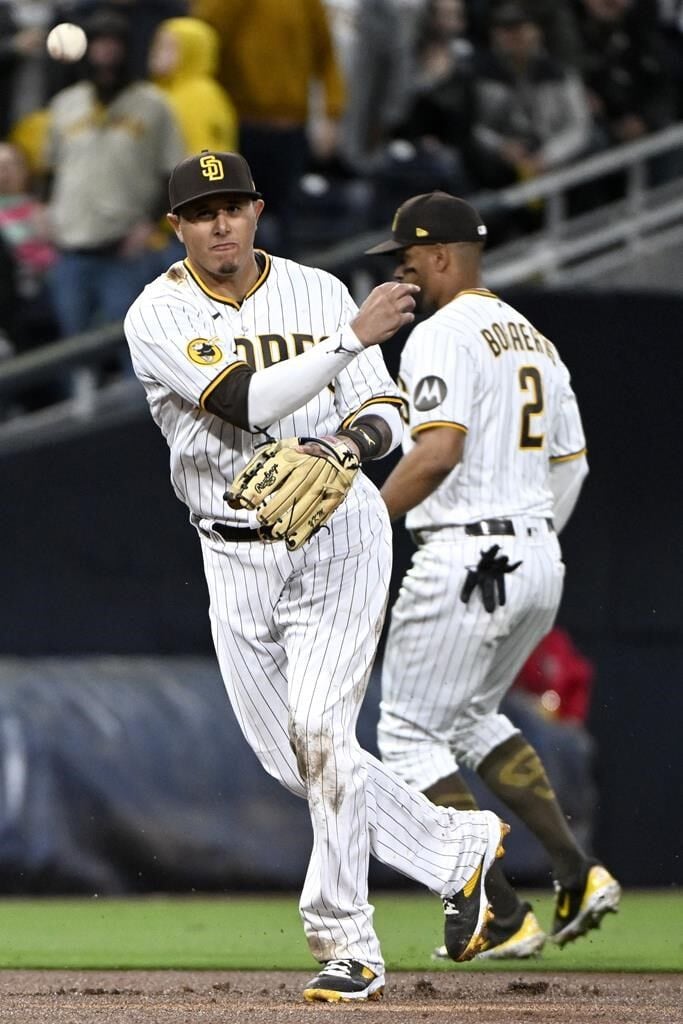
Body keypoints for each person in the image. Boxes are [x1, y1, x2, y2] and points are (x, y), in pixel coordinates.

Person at [123, 150, 509, 1003]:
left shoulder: (319, 290)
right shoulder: (156, 313)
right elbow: (244, 404)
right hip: (230, 551)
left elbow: (383, 413)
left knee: (324, 735)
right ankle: (455, 849)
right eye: (202, 211)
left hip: (338, 535)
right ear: (176, 227)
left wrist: (343, 444)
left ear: (258, 210)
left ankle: (348, 941)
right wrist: (349, 340)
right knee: (284, 753)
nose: (220, 223)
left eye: (233, 206)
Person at [366, 190, 621, 960]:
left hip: (465, 554)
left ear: (442, 257)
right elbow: (570, 466)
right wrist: (531, 537)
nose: (402, 278)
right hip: (536, 556)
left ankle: (494, 910)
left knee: (406, 736)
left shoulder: (441, 334)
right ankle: (575, 872)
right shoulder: (534, 340)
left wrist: (363, 522)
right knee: (470, 721)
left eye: (408, 262)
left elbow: (436, 451)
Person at [43, 6, 185, 338]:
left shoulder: (154, 104)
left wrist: (150, 226)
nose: (106, 51)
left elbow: (173, 174)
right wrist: (43, 208)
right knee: (70, 346)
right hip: (71, 247)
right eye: (99, 43)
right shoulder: (66, 104)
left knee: (130, 346)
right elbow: (50, 169)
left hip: (125, 249)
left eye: (114, 43)